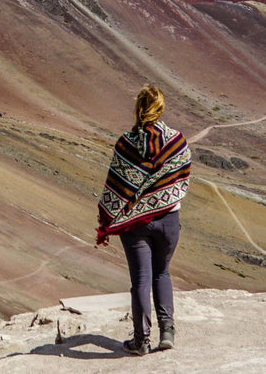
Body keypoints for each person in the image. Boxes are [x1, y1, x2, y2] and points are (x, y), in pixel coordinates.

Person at [95, 84, 191, 356]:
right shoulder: (177, 141)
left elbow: (116, 186)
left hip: (135, 226)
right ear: (160, 109)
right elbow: (183, 174)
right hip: (169, 219)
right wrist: (162, 197)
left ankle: (141, 341)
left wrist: (106, 219)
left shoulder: (126, 144)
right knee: (162, 272)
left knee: (141, 280)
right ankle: (167, 333)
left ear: (138, 108)